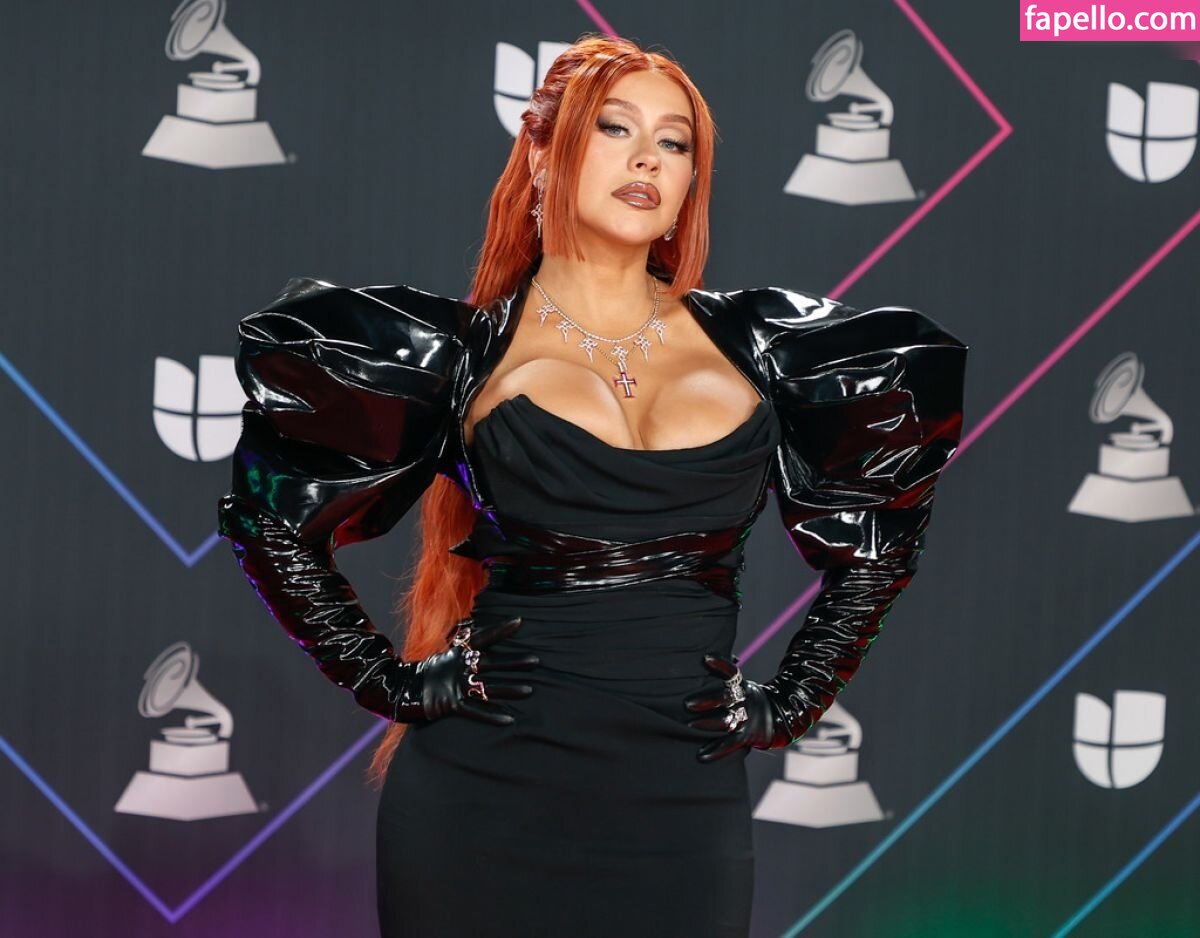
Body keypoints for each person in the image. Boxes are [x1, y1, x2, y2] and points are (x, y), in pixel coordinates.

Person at [217, 34, 967, 938]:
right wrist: (390, 684)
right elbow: (270, 523)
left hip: (682, 803)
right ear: (541, 154)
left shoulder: (768, 350)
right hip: (479, 798)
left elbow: (879, 543)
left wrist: (792, 700)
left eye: (674, 142)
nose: (648, 157)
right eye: (615, 128)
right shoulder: (458, 355)